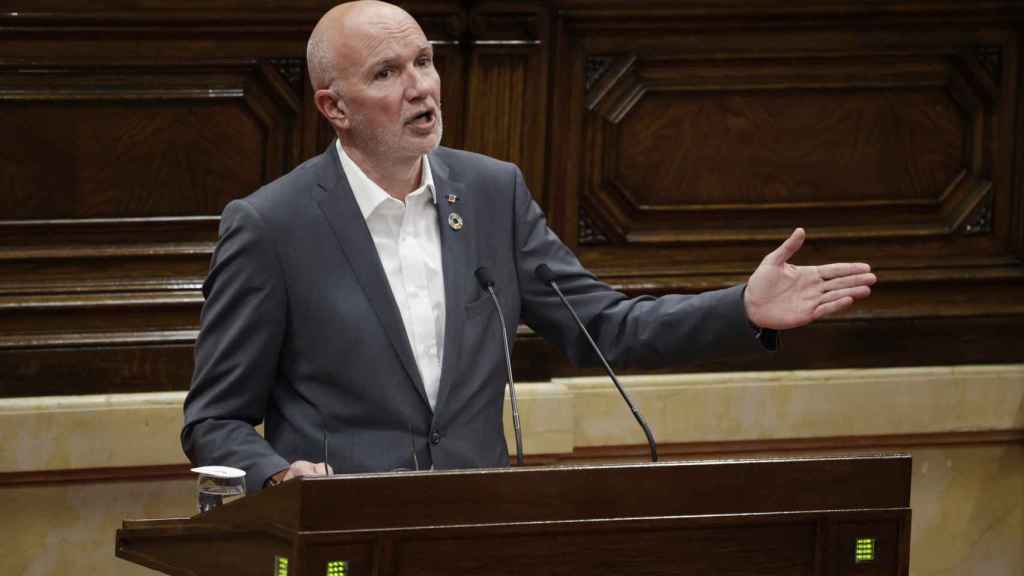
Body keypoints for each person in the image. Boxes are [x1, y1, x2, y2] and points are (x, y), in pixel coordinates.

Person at [181, 0, 876, 491]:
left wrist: (741, 310)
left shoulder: (492, 195)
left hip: (479, 532)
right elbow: (214, 418)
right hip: (343, 543)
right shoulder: (272, 227)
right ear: (334, 107)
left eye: (424, 60)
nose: (421, 86)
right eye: (387, 73)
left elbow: (604, 328)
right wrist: (279, 475)